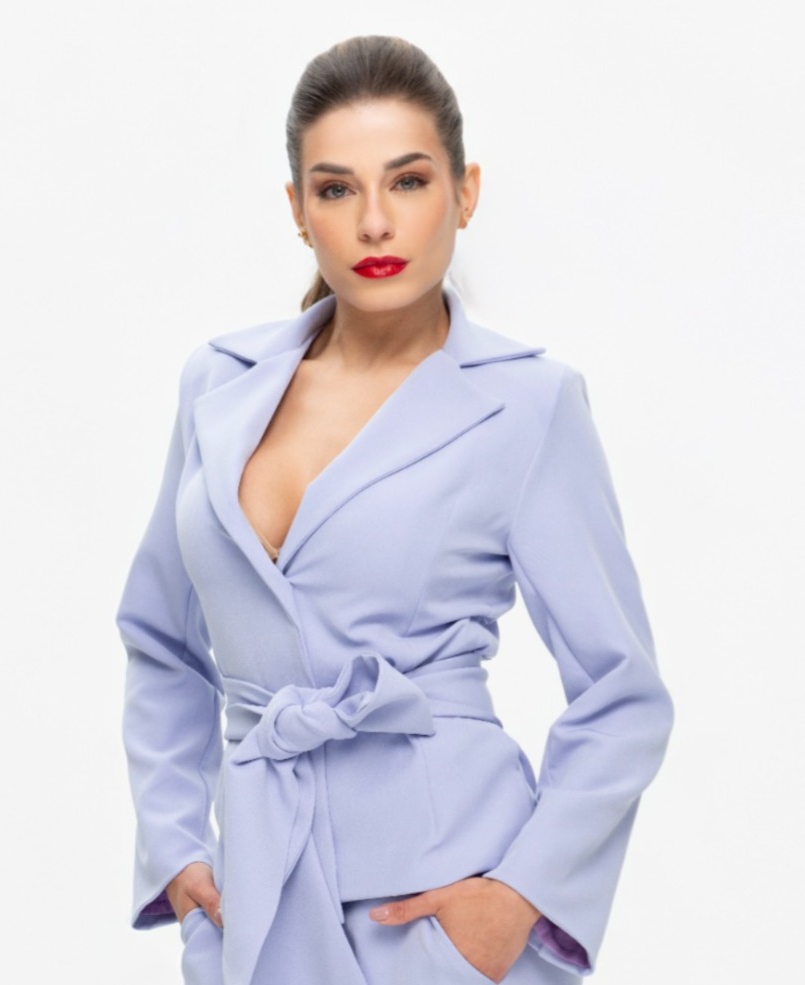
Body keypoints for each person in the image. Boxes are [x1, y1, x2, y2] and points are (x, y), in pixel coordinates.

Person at [116, 34, 674, 985]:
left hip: (442, 898)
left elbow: (624, 695)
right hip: (254, 901)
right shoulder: (217, 383)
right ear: (298, 211)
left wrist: (517, 900)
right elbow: (161, 638)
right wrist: (176, 847)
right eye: (337, 190)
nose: (375, 222)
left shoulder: (528, 406)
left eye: (408, 181)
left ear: (465, 191)